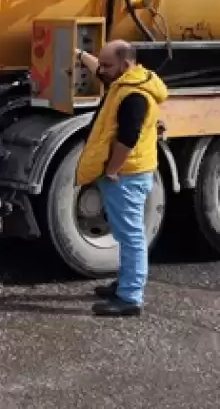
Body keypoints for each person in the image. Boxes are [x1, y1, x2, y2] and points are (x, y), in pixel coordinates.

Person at [75, 40, 168, 317]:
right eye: (100, 63)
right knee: (126, 232)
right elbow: (100, 72)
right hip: (128, 173)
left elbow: (128, 139)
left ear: (125, 65)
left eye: (107, 65)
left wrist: (113, 169)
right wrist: (80, 55)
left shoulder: (134, 96)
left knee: (131, 236)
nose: (102, 70)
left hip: (126, 175)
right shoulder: (125, 81)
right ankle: (126, 282)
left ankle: (130, 297)